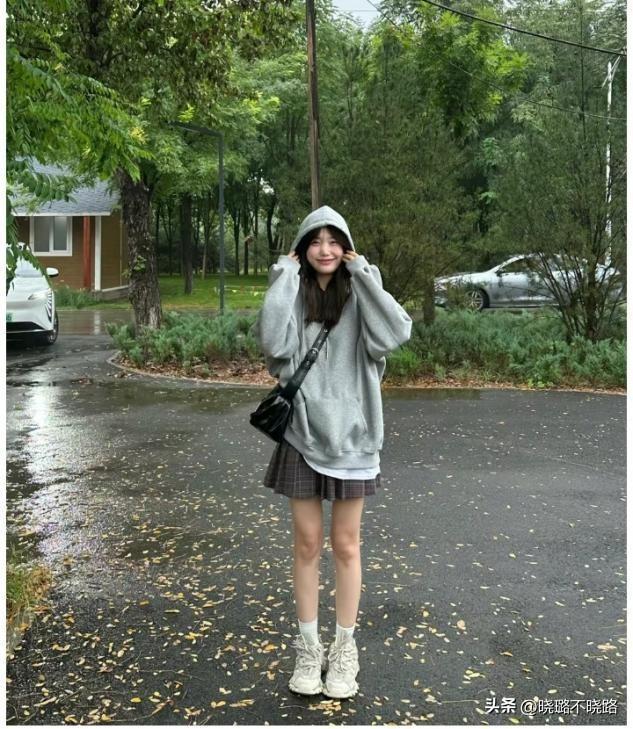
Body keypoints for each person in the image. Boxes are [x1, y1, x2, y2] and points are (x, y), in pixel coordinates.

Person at [253, 205, 412, 699]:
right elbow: (273, 345)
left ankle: (344, 650)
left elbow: (396, 334)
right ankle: (308, 649)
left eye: (334, 240)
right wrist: (282, 276)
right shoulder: (294, 290)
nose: (325, 249)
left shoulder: (361, 292)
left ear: (346, 247)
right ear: (303, 248)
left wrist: (365, 275)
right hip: (302, 433)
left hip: (354, 438)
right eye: (316, 241)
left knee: (346, 545)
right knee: (306, 544)